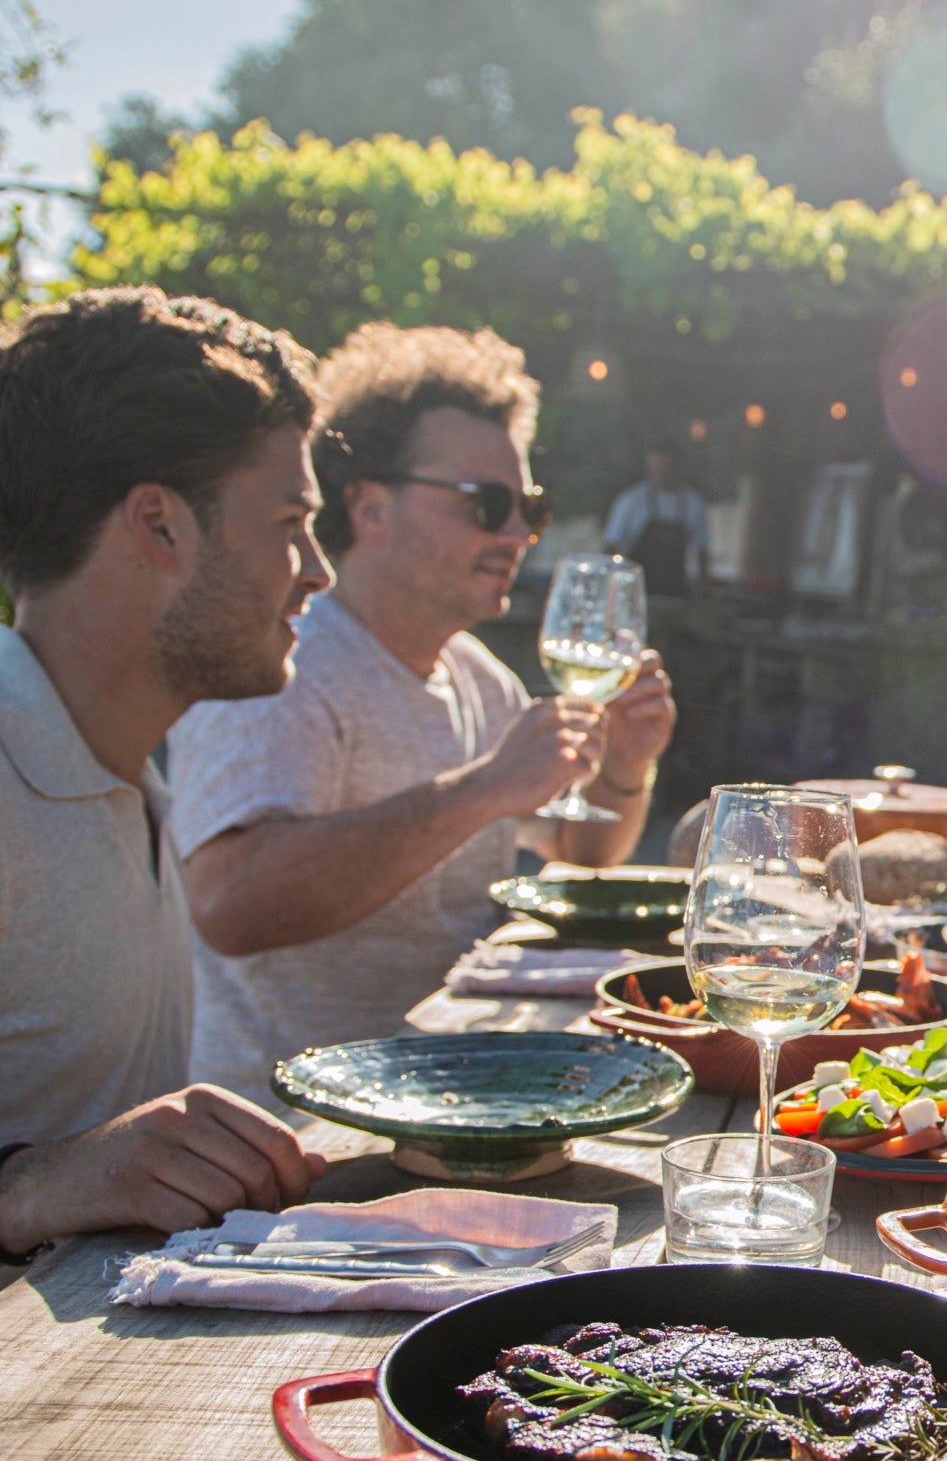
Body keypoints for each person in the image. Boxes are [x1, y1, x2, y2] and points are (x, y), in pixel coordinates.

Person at [170, 323, 678, 1104]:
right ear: (371, 509)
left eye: (529, 507)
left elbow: (580, 847)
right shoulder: (284, 667)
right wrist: (483, 789)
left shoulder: (481, 679)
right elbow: (229, 905)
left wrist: (625, 767)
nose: (518, 534)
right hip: (296, 1128)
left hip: (459, 1096)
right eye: (488, 504)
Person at [0, 287, 328, 1261]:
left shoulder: (131, 769)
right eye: (290, 521)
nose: (318, 569)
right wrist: (30, 1183)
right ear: (160, 524)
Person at [603, 435, 708, 598]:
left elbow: (701, 552)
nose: (665, 470)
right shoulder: (631, 501)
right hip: (636, 594)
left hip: (675, 595)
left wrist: (701, 591)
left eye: (669, 464)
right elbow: (611, 547)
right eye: (659, 464)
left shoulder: (693, 504)